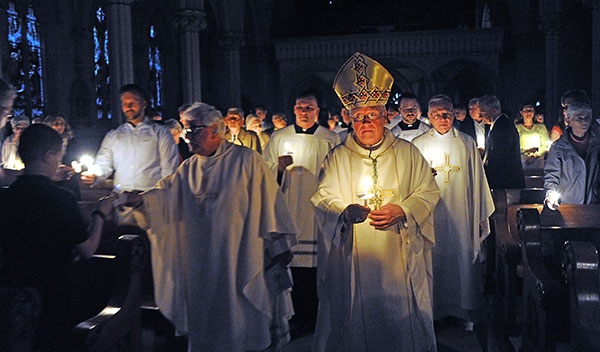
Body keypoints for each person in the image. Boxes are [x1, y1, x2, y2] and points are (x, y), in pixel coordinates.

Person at [127, 102, 297, 351]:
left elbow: (271, 207)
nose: (187, 137)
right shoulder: (188, 168)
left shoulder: (246, 161)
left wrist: (279, 249)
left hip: (240, 260)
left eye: (193, 130)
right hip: (201, 267)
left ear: (216, 129)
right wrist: (141, 199)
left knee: (242, 323)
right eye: (185, 130)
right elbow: (165, 195)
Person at [311, 52, 440, 351]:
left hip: (399, 248)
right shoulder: (337, 157)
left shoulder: (409, 154)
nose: (365, 122)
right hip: (354, 251)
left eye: (371, 115)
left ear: (385, 117)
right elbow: (322, 198)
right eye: (359, 117)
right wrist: (344, 212)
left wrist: (403, 209)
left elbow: (428, 192)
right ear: (350, 120)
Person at [0, 124, 113, 350]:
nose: (58, 163)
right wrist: (101, 213)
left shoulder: (6, 197)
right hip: (53, 299)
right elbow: (87, 249)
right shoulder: (61, 198)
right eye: (57, 156)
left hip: (11, 300)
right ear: (48, 155)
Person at [412, 94, 494, 330]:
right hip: (430, 216)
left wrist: (480, 215)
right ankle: (433, 311)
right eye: (436, 114)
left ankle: (463, 310)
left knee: (462, 259)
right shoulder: (418, 144)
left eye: (447, 113)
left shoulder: (466, 143)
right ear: (428, 116)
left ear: (453, 113)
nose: (443, 118)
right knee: (433, 259)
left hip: (461, 215)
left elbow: (478, 181)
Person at [263, 90, 341, 336]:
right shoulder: (279, 137)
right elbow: (264, 173)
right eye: (299, 107)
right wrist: (278, 168)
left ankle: (315, 316)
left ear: (318, 111)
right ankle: (293, 315)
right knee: (290, 263)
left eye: (309, 108)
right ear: (293, 110)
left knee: (316, 267)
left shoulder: (330, 139)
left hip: (317, 211)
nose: (304, 112)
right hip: (288, 208)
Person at [80, 84, 178, 225]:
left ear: (144, 103)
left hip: (149, 201)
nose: (128, 107)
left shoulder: (160, 133)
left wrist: (161, 197)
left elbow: (169, 171)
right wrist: (95, 176)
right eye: (124, 103)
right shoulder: (114, 135)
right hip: (122, 203)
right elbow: (103, 163)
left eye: (133, 102)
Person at [544, 102, 600, 208]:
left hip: (593, 203)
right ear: (569, 120)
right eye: (579, 118)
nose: (584, 122)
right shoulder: (559, 148)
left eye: (587, 118)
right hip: (569, 204)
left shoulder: (596, 145)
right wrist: (550, 194)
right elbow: (552, 175)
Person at [478, 94, 525, 189]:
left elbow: (499, 157)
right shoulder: (499, 125)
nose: (481, 117)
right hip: (503, 180)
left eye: (483, 113)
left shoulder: (502, 127)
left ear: (494, 111)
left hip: (505, 181)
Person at [515, 103, 550, 169]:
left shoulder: (541, 127)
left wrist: (535, 155)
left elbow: (545, 144)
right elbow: (515, 144)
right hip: (523, 160)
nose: (528, 113)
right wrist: (526, 151)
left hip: (538, 160)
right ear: (521, 112)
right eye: (526, 110)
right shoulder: (517, 128)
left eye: (531, 110)